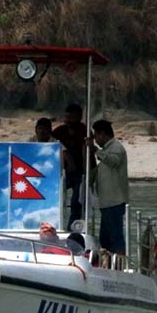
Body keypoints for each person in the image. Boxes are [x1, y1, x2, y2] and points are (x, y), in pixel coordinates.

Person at [89, 119, 128, 255]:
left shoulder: (116, 147)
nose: (95, 139)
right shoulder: (107, 150)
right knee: (105, 239)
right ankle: (109, 264)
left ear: (102, 134)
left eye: (95, 136)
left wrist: (96, 151)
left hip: (114, 201)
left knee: (115, 238)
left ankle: (120, 265)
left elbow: (114, 161)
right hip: (106, 202)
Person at [51, 104, 91, 230]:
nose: (68, 120)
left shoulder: (85, 131)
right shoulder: (59, 131)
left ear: (79, 117)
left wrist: (87, 174)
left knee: (76, 202)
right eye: (66, 117)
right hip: (62, 172)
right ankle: (54, 225)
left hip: (80, 173)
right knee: (54, 198)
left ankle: (72, 228)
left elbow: (88, 152)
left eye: (71, 117)